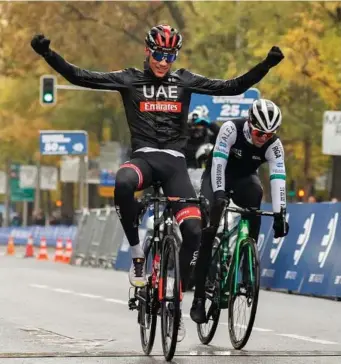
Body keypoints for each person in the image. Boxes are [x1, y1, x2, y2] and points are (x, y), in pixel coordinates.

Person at [31, 25, 284, 340]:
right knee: (123, 183)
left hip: (176, 166)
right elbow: (81, 77)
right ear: (147, 51)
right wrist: (48, 55)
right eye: (158, 54)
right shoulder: (129, 79)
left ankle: (173, 301)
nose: (163, 61)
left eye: (169, 55)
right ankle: (138, 257)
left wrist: (266, 65)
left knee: (193, 232)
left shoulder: (185, 81)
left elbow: (232, 86)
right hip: (144, 160)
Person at [190, 98, 289, 324]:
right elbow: (217, 164)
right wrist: (219, 195)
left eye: (269, 134)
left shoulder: (274, 145)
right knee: (209, 229)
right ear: (249, 123)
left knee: (256, 197)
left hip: (245, 179)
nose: (263, 138)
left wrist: (280, 213)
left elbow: (278, 178)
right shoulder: (230, 129)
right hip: (218, 175)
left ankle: (246, 263)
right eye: (258, 133)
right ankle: (198, 300)